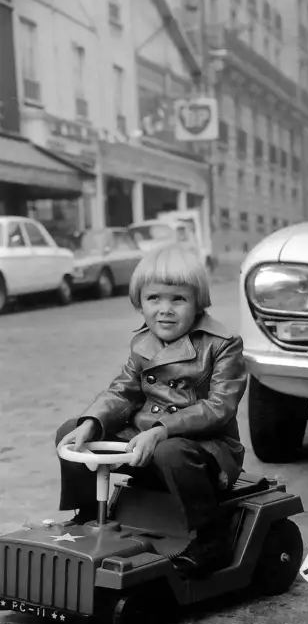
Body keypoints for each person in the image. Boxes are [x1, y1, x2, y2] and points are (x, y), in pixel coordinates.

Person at [55, 244, 248, 576]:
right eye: (154, 299)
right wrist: (91, 422)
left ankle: (212, 537)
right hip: (142, 443)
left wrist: (163, 430)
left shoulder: (222, 344)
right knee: (69, 433)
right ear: (139, 303)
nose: (165, 310)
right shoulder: (143, 343)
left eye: (178, 299)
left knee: (169, 452)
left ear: (198, 301)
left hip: (202, 448)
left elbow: (219, 407)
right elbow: (123, 391)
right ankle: (87, 514)